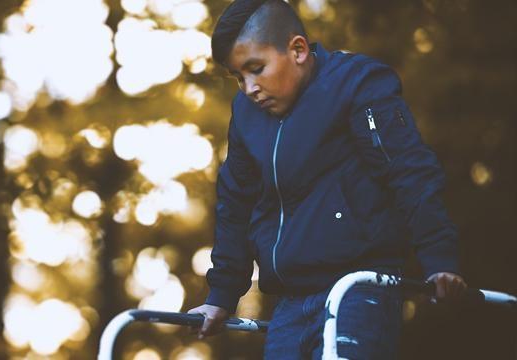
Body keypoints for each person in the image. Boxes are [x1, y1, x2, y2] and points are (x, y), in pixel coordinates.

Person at [186, 0, 468, 358]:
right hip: (289, 302)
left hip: (359, 289)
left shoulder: (358, 83)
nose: (249, 88)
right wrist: (220, 298)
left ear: (298, 50)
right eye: (239, 77)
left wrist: (439, 259)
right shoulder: (246, 114)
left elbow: (409, 171)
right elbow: (235, 204)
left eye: (256, 69)